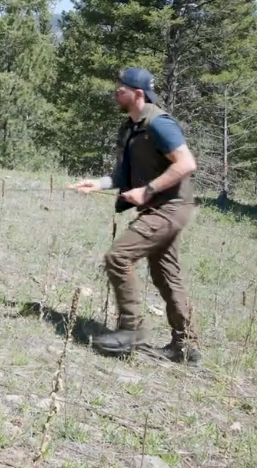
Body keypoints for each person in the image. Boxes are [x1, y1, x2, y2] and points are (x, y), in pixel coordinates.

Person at [71, 67, 201, 366]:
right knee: (166, 276)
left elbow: (186, 163)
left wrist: (147, 191)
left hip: (170, 207)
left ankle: (131, 331)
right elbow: (123, 173)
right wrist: (98, 184)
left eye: (121, 89)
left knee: (118, 257)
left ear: (138, 93)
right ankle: (186, 347)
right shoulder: (130, 127)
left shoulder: (159, 123)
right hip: (160, 208)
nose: (116, 92)